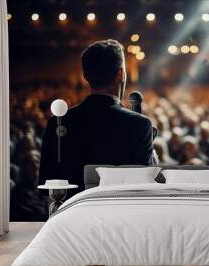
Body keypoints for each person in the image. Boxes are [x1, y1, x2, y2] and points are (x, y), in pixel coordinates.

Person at [39, 39, 154, 196]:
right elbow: (143, 187)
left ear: (85, 76)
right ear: (120, 74)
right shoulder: (140, 125)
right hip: (119, 216)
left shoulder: (57, 122)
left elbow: (47, 186)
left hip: (71, 216)